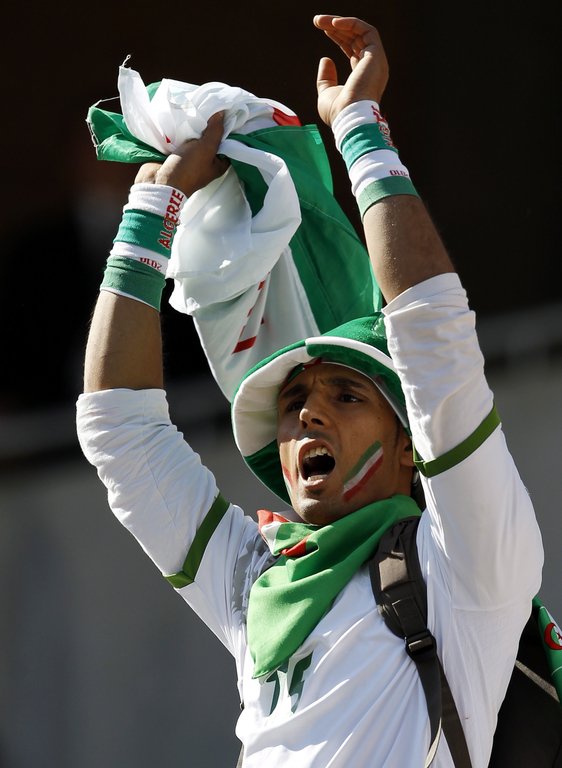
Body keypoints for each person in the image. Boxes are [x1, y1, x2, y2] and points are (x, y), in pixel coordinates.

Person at [76, 14, 543, 767]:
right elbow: (119, 435)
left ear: (409, 446)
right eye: (292, 405)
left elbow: (434, 334)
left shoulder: (466, 562)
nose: (308, 414)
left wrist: (359, 126)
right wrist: (150, 215)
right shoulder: (257, 578)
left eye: (347, 396)